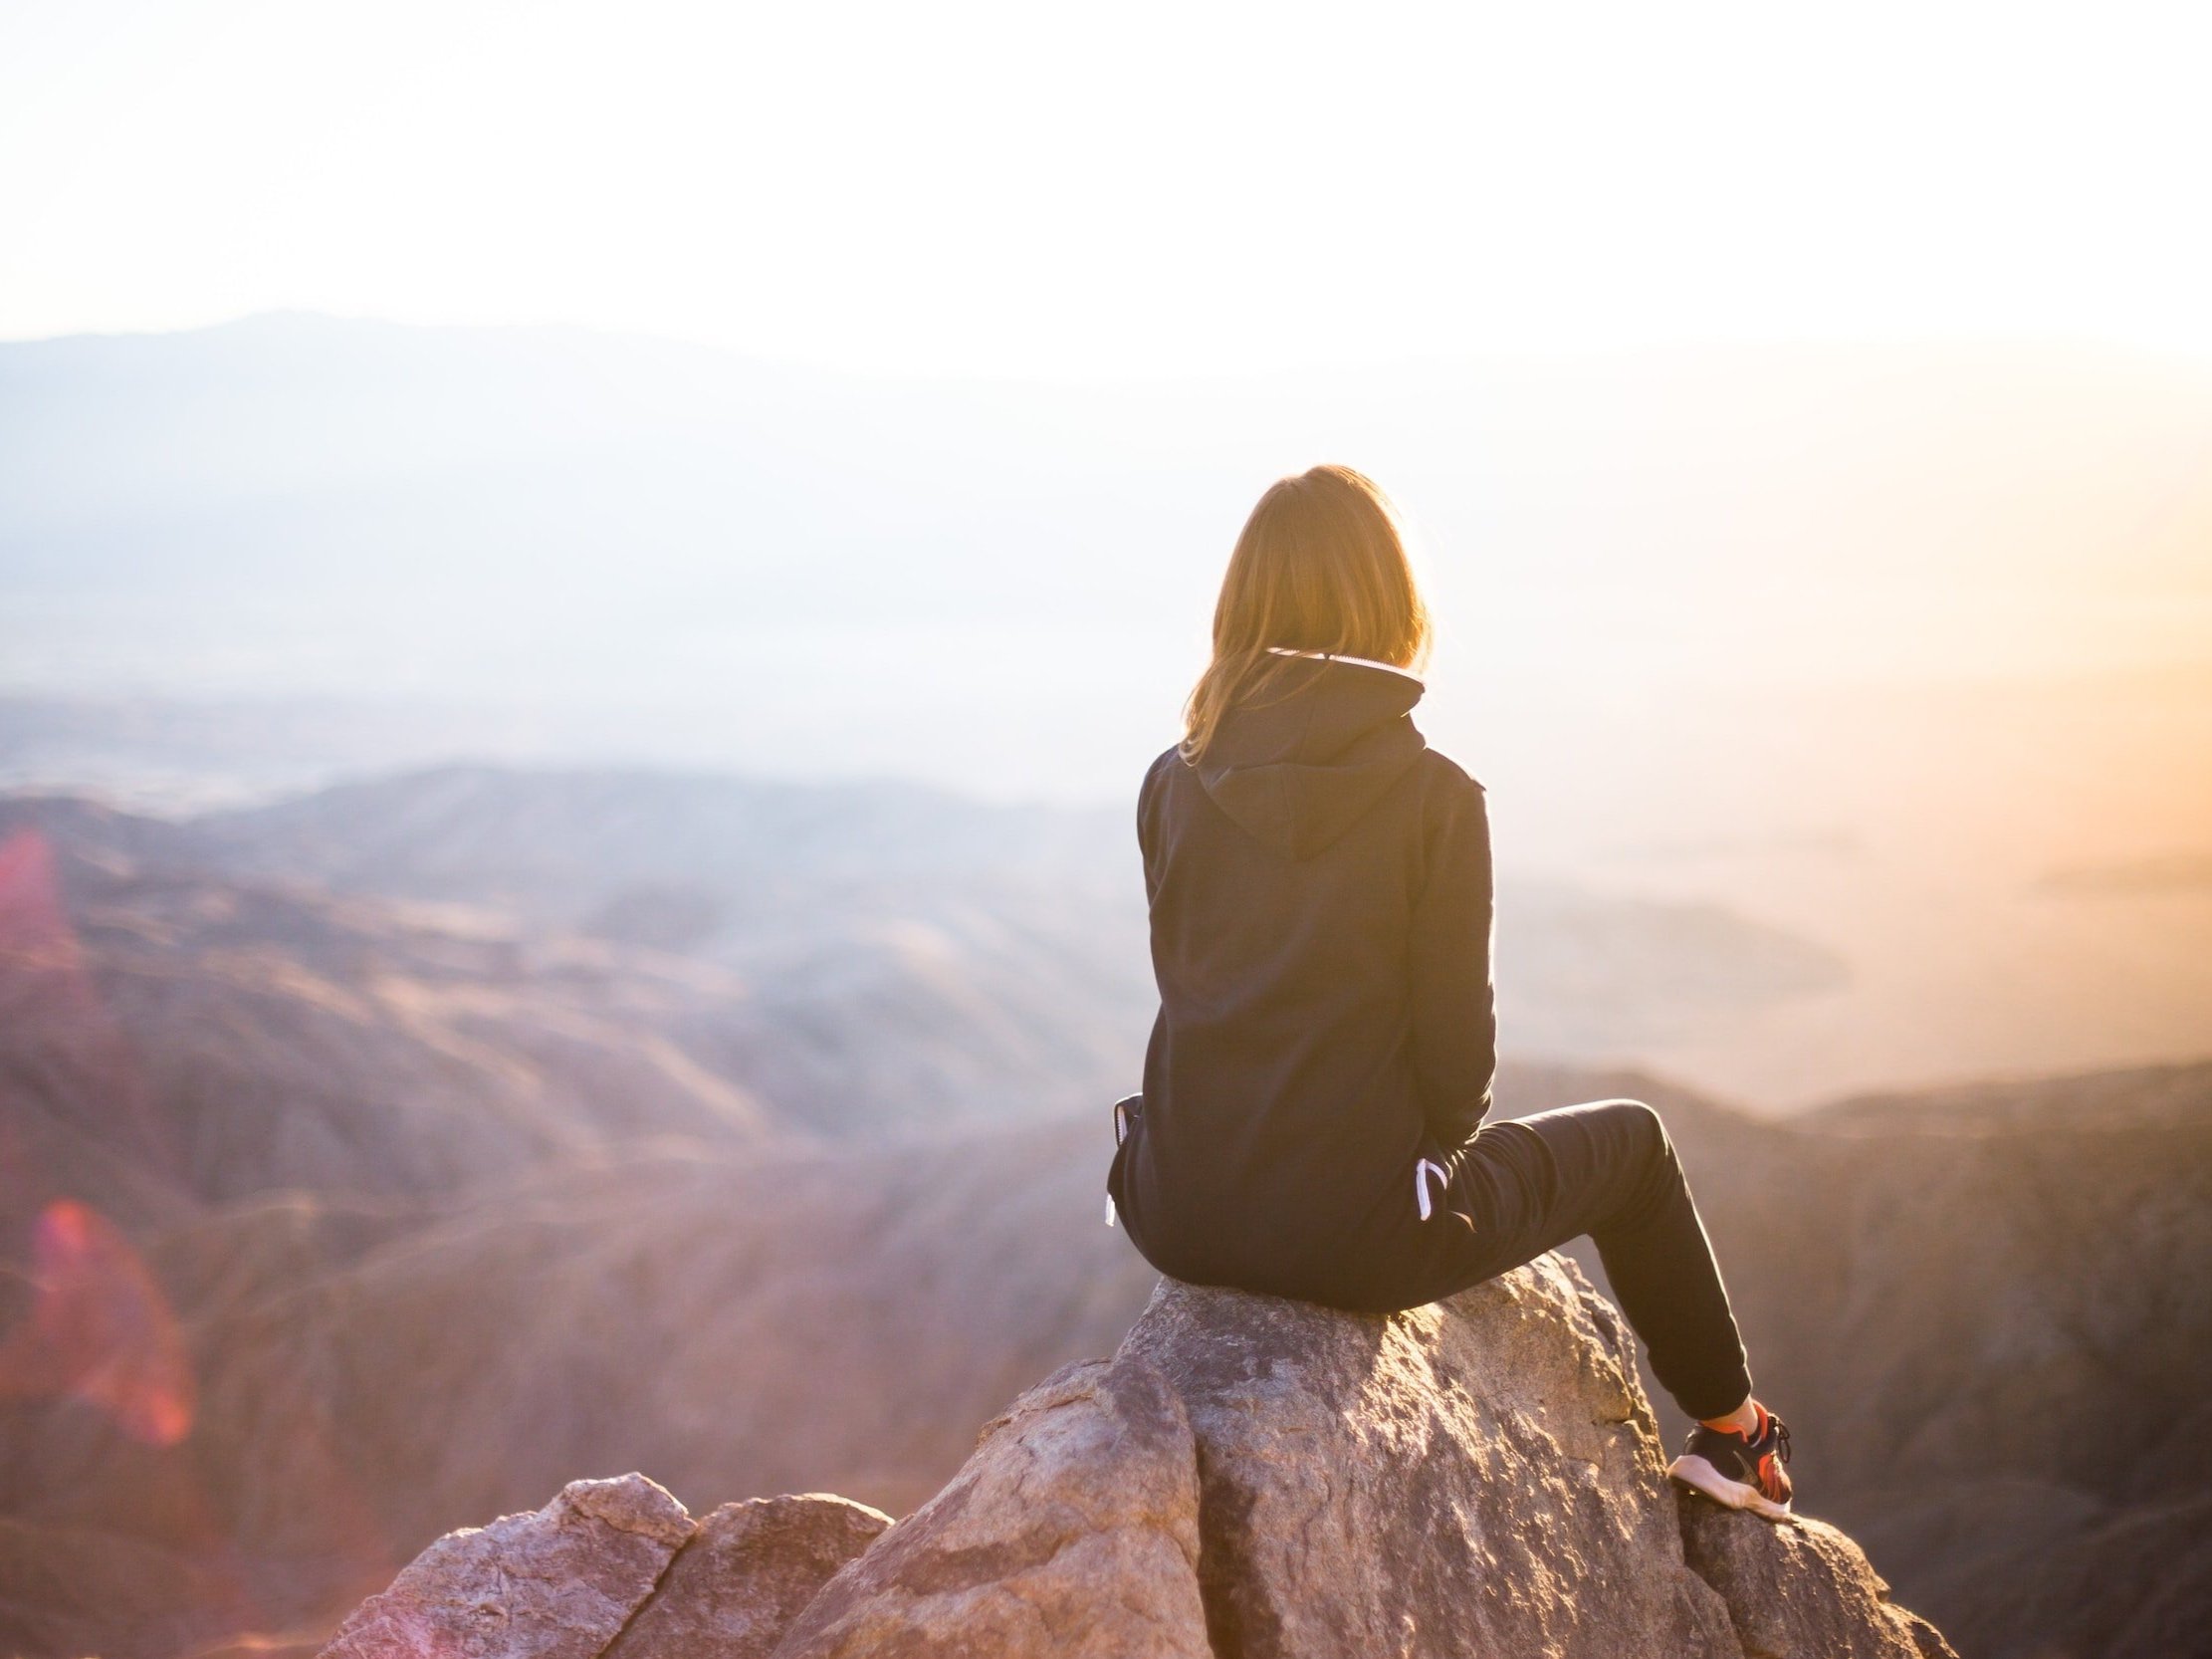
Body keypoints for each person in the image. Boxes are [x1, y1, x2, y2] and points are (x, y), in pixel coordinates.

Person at [1103, 463, 1794, 1521]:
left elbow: (1195, 986)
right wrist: (1407, 1173)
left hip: (1174, 1207)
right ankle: (1732, 1433)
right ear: (1390, 604)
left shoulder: (1170, 775)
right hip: (1356, 1236)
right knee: (1637, 1146)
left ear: (1239, 605)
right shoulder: (1433, 798)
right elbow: (1457, 1072)